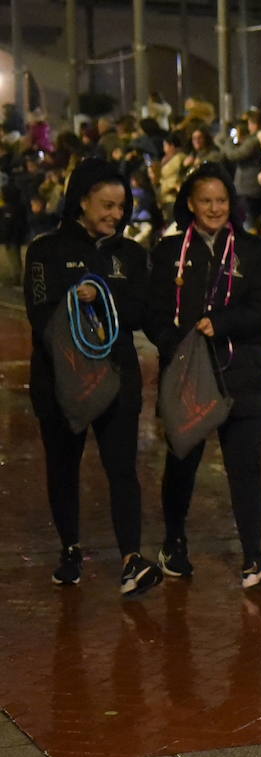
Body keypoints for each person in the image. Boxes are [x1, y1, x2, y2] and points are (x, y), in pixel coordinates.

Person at [24, 159, 162, 596]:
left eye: (122, 207)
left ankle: (131, 560)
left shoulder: (131, 255)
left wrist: (102, 295)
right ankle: (70, 549)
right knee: (63, 466)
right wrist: (75, 300)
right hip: (61, 383)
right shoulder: (45, 250)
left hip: (118, 379)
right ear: (80, 201)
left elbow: (141, 313)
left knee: (123, 468)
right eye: (106, 205)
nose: (115, 215)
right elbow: (39, 312)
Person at [148, 164, 261, 589]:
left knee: (244, 468)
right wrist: (175, 342)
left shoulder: (255, 251)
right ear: (190, 203)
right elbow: (152, 311)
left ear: (232, 203)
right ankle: (173, 543)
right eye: (205, 200)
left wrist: (222, 323)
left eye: (221, 200)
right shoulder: (170, 251)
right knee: (182, 462)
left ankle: (253, 557)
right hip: (189, 376)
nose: (213, 208)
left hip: (241, 374)